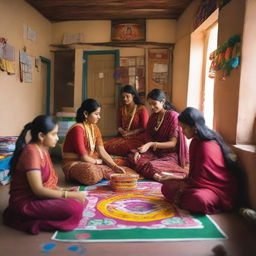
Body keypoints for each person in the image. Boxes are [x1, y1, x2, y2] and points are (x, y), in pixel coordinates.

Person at [3, 115, 87, 235]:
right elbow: (38, 190)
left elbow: (48, 183)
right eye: (54, 134)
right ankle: (32, 221)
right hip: (25, 203)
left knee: (79, 202)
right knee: (75, 208)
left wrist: (66, 190)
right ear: (41, 136)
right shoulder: (31, 152)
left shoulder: (43, 150)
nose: (57, 138)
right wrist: (67, 195)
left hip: (38, 198)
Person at [158, 107, 239, 214]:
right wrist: (174, 177)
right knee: (166, 187)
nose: (182, 131)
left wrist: (181, 191)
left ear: (195, 127)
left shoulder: (206, 146)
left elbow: (201, 179)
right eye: (181, 128)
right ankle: (185, 198)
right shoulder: (195, 141)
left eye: (184, 128)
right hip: (198, 185)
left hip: (216, 189)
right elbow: (194, 175)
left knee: (199, 200)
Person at [62, 98, 126, 186]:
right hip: (75, 163)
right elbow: (84, 158)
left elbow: (102, 151)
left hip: (92, 160)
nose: (99, 117)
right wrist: (100, 162)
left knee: (119, 162)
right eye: (96, 114)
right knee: (91, 173)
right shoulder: (77, 129)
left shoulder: (94, 128)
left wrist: (114, 166)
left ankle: (104, 171)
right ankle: (102, 171)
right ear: (86, 114)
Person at [128, 89, 189, 180]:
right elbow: (147, 139)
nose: (152, 107)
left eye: (154, 103)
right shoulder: (153, 117)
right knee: (132, 156)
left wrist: (152, 144)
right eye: (150, 104)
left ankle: (159, 174)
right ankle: (156, 174)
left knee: (150, 165)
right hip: (155, 153)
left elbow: (172, 143)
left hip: (170, 155)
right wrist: (139, 151)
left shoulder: (173, 116)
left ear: (163, 101)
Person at [104, 85, 149, 156]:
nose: (125, 99)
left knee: (122, 147)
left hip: (138, 137)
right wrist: (121, 130)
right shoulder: (121, 109)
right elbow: (119, 125)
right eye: (123, 97)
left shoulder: (141, 109)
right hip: (124, 137)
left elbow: (144, 128)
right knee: (106, 145)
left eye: (127, 96)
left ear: (133, 96)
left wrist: (130, 133)